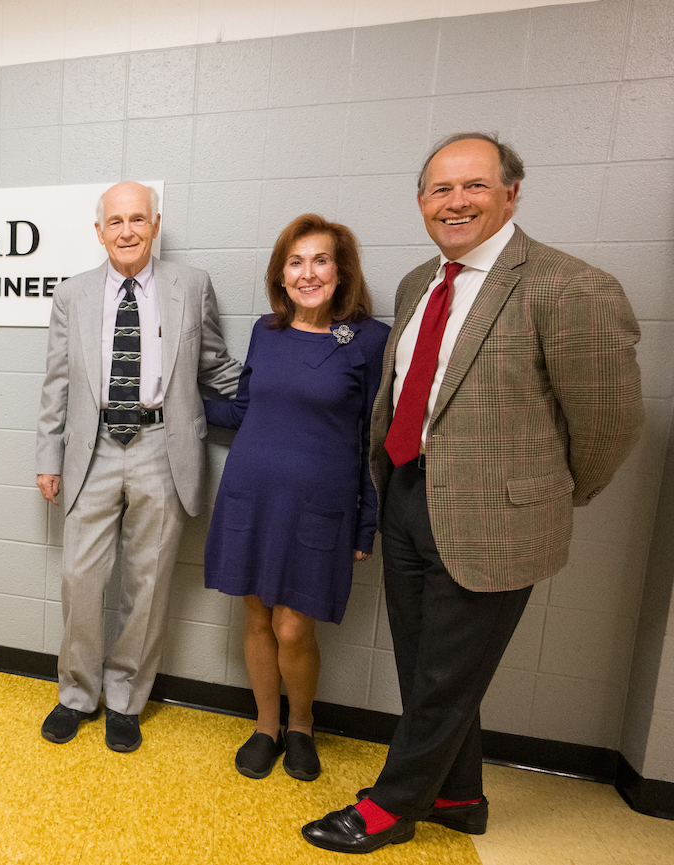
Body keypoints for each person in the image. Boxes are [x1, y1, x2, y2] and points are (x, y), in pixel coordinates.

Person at [302, 133, 644, 853]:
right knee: (426, 662)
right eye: (440, 189)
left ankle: (392, 806)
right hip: (406, 494)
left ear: (511, 192)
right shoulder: (420, 282)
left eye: (475, 185)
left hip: (495, 518)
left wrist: (548, 494)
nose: (456, 201)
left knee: (447, 674)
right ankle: (458, 793)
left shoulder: (568, 285)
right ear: (422, 202)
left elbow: (610, 421)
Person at [35, 181, 241, 752]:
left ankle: (126, 698)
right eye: (115, 222)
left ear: (155, 225)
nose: (127, 231)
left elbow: (215, 366)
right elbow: (57, 383)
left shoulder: (191, 285)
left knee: (148, 582)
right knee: (82, 578)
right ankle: (77, 693)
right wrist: (47, 457)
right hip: (92, 446)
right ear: (99, 230)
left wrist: (280, 396)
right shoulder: (72, 294)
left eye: (138, 220)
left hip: (162, 445)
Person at [202, 215, 389, 782]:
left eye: (320, 260)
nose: (307, 273)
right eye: (295, 261)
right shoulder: (267, 331)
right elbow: (244, 410)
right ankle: (266, 726)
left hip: (320, 505)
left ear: (341, 271)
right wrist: (178, 401)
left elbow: (372, 440)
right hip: (250, 494)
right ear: (281, 275)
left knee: (293, 628)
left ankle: (302, 726)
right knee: (256, 616)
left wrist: (366, 524)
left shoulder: (372, 340)